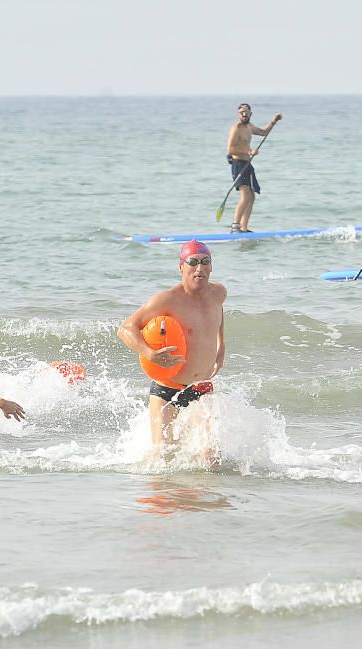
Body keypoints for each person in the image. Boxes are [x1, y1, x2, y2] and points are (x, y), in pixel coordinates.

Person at [117, 240, 227, 447]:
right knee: (162, 460)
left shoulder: (218, 293)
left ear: (211, 266)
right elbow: (126, 328)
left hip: (201, 387)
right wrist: (149, 353)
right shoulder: (167, 299)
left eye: (205, 262)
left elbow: (218, 316)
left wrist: (221, 347)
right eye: (192, 262)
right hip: (167, 390)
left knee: (211, 459)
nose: (199, 268)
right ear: (181, 266)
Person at [226, 103, 282, 233]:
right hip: (238, 164)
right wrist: (249, 150)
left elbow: (263, 132)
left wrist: (274, 121)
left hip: (247, 164)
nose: (244, 114)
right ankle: (235, 226)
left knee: (251, 196)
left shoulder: (249, 127)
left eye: (246, 112)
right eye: (241, 112)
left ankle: (244, 228)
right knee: (245, 195)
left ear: (251, 114)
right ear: (238, 114)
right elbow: (230, 149)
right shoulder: (236, 128)